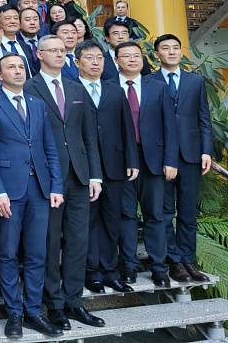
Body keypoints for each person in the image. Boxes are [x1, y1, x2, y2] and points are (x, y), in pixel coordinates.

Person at [0, 54, 64, 339]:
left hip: (39, 189)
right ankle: (14, 312)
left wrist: (56, 186)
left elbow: (50, 148)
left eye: (21, 67)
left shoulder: (37, 104)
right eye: (11, 67)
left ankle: (34, 312)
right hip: (9, 191)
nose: (18, 71)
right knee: (8, 253)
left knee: (38, 253)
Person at [24, 35, 104, 330]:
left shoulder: (76, 87)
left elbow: (88, 135)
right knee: (48, 240)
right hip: (46, 177)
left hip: (79, 175)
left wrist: (94, 174)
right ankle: (54, 305)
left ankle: (74, 301)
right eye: (54, 50)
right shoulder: (28, 87)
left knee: (78, 240)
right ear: (39, 54)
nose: (60, 54)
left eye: (62, 50)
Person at [75, 40, 139, 294]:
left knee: (112, 219)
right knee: (89, 221)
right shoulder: (70, 89)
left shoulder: (115, 90)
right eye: (89, 58)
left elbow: (127, 127)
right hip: (84, 168)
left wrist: (132, 160)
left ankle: (110, 271)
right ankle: (92, 272)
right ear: (77, 62)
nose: (96, 63)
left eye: (100, 58)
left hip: (114, 164)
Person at [116, 41, 179, 288]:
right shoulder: (109, 86)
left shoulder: (158, 87)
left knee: (155, 214)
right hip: (122, 161)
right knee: (126, 215)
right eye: (126, 56)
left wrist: (170, 160)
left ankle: (159, 267)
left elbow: (170, 126)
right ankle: (129, 266)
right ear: (117, 60)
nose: (133, 59)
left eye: (137, 55)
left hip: (153, 160)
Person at [151, 34, 212, 283]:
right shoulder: (149, 81)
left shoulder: (195, 81)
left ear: (181, 52)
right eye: (165, 48)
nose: (172, 52)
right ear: (156, 54)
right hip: (161, 155)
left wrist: (206, 151)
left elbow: (203, 118)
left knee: (188, 211)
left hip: (191, 154)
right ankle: (174, 261)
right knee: (165, 211)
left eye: (175, 48)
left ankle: (188, 260)